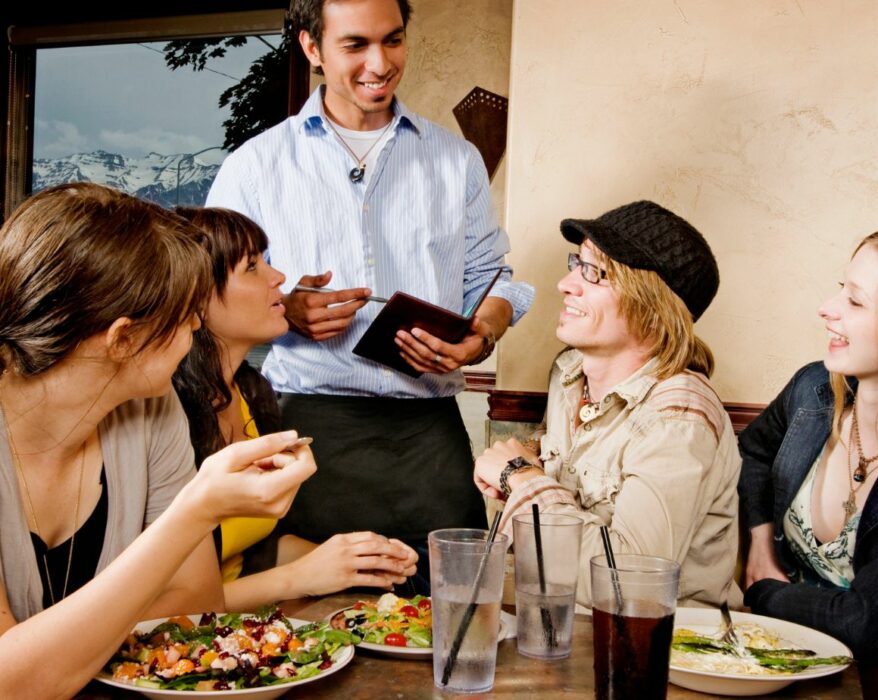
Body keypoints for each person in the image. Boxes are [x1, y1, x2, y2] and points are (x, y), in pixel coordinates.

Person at [206, 0, 534, 588]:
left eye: (393, 40)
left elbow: (496, 279)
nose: (379, 63)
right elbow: (210, 299)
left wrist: (481, 333)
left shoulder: (455, 161)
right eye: (355, 45)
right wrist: (286, 313)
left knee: (451, 617)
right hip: (308, 436)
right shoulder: (254, 165)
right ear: (313, 49)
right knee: (311, 629)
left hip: (432, 436)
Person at [0, 183, 315, 698]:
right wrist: (194, 511)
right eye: (185, 315)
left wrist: (45, 645)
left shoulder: (153, 406)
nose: (196, 328)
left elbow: (196, 603)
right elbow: (10, 684)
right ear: (122, 339)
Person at [474, 200, 742, 609]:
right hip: (567, 630)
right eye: (575, 263)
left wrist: (522, 480)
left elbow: (631, 588)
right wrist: (533, 458)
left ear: (654, 312)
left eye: (595, 274)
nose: (566, 284)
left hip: (667, 652)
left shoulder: (678, 416)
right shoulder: (570, 373)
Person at [172, 206, 418, 609]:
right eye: (252, 267)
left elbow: (253, 552)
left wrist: (357, 559)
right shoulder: (165, 416)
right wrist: (301, 577)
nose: (279, 278)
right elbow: (166, 605)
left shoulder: (253, 394)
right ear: (197, 297)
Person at [738, 232, 878, 669]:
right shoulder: (813, 392)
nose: (827, 307)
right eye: (841, 288)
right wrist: (760, 543)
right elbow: (752, 452)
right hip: (774, 661)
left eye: (855, 301)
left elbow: (866, 624)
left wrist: (763, 593)